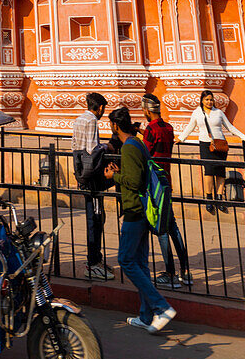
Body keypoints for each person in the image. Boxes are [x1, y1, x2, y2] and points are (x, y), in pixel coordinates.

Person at [104, 106, 176, 333]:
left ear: (114, 126)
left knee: (126, 260)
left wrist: (113, 175)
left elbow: (134, 182)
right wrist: (121, 172)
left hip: (135, 211)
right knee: (141, 263)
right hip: (143, 211)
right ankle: (146, 316)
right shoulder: (138, 143)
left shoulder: (128, 147)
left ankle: (161, 307)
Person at [141, 95, 192, 289]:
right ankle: (185, 271)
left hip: (154, 184)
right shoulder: (168, 128)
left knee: (161, 228)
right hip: (167, 179)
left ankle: (169, 273)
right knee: (173, 226)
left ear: (147, 111)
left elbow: (146, 152)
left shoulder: (150, 130)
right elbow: (163, 144)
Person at [178, 90, 245, 214]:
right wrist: (180, 138)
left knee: (220, 173)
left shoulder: (219, 113)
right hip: (205, 144)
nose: (209, 102)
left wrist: (243, 137)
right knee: (209, 172)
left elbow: (230, 127)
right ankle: (209, 199)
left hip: (220, 144)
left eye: (211, 99)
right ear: (202, 100)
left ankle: (219, 198)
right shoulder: (197, 113)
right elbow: (190, 126)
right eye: (207, 99)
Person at [71, 92, 113, 281]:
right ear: (101, 107)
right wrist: (105, 147)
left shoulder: (79, 119)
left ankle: (96, 259)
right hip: (92, 178)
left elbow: (77, 147)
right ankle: (93, 262)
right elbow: (92, 150)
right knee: (95, 219)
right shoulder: (92, 122)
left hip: (82, 173)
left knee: (95, 218)